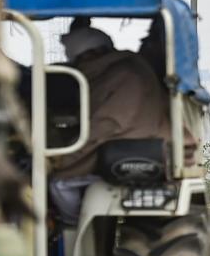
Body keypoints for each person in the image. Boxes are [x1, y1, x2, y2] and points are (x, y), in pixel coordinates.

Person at [49, 22, 181, 223]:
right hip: (147, 145)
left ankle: (73, 228)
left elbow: (105, 127)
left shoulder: (120, 76)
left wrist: (63, 158)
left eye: (77, 59)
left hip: (128, 150)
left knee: (58, 182)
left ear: (86, 55)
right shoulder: (126, 69)